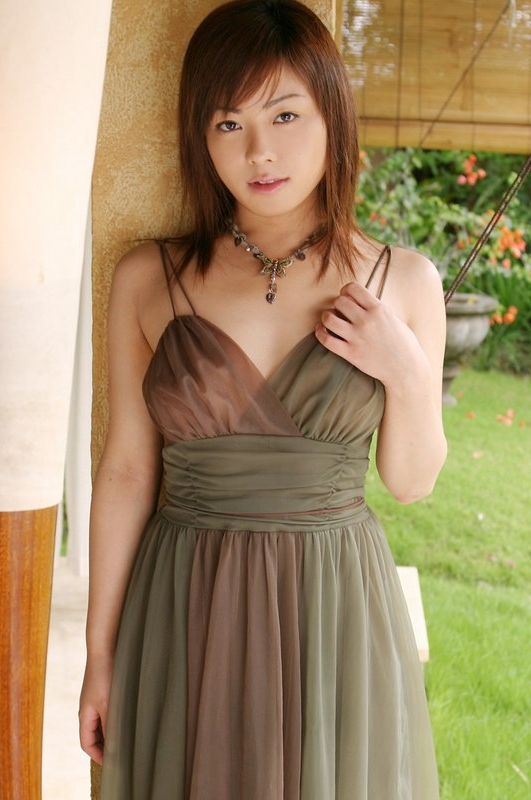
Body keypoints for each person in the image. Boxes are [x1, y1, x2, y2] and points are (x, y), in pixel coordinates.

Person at [79, 1, 447, 797]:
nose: (259, 151)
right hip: (186, 595)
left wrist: (407, 372)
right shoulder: (149, 278)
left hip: (333, 601)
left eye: (284, 114)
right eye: (228, 123)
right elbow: (127, 472)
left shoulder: (404, 282)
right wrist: (99, 655)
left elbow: (411, 482)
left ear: (331, 115)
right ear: (199, 137)